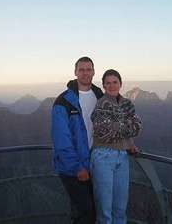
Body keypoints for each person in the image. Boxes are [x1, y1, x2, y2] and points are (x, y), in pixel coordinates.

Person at [51, 56, 103, 224]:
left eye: (89, 69)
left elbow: (116, 124)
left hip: (94, 164)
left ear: (94, 72)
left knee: (90, 211)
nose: (85, 73)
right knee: (86, 212)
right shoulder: (63, 101)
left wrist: (129, 144)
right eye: (81, 69)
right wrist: (77, 168)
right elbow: (61, 140)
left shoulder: (100, 97)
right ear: (75, 72)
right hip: (73, 168)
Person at [90, 69, 142, 224]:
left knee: (120, 209)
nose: (111, 86)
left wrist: (126, 139)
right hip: (102, 157)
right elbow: (102, 132)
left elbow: (138, 127)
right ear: (104, 85)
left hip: (122, 157)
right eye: (108, 83)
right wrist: (126, 126)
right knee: (105, 211)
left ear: (120, 84)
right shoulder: (102, 104)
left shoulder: (127, 103)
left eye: (115, 82)